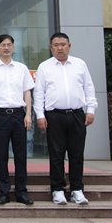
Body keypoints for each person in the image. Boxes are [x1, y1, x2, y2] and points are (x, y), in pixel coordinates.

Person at [34, 32, 99, 205]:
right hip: (54, 116)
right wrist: (40, 115)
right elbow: (39, 93)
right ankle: (58, 190)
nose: (60, 48)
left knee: (76, 154)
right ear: (51, 48)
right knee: (56, 154)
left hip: (77, 114)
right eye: (56, 45)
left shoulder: (80, 64)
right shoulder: (44, 67)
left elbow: (89, 88)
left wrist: (90, 110)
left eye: (63, 44)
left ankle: (77, 190)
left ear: (69, 46)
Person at [0, 34, 35, 205]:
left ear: (13, 47)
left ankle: (21, 191)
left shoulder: (22, 68)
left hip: (18, 114)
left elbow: (27, 92)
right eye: (2, 45)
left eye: (9, 45)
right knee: (1, 155)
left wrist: (28, 114)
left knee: (21, 155)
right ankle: (4, 192)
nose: (6, 48)